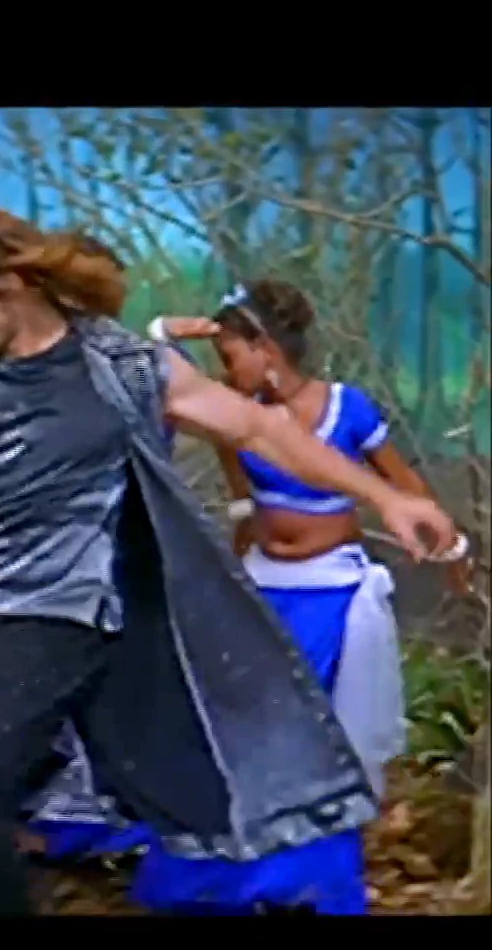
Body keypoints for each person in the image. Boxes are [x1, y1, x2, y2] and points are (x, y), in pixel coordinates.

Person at [0, 205, 460, 916]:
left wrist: (386, 498)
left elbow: (258, 429)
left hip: (60, 616)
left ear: (9, 286)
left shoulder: (123, 368)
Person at [121, 280, 472, 914]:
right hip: (262, 587)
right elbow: (164, 392)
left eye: (232, 354)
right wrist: (171, 331)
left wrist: (449, 547)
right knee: (240, 728)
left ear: (265, 347)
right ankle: (230, 875)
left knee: (313, 736)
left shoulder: (346, 408)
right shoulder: (236, 413)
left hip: (329, 593)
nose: (226, 369)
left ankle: (307, 877)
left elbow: (405, 486)